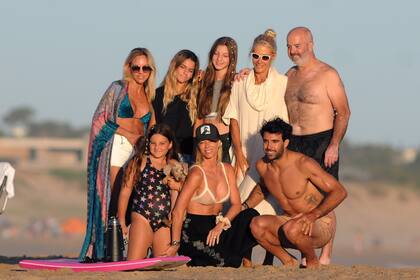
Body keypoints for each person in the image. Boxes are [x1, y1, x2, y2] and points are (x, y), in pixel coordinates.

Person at [79, 48, 156, 261]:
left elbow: (152, 126)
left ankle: (129, 246)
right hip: (118, 145)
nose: (140, 72)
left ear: (150, 70)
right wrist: (128, 134)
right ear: (128, 67)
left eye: (145, 68)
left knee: (133, 198)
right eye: (136, 67)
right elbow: (100, 118)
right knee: (114, 197)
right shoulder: (117, 88)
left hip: (138, 150)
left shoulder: (149, 94)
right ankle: (105, 249)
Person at [284, 26, 351, 264]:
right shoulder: (289, 75)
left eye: (297, 45)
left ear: (310, 45)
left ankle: (327, 254)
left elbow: (343, 112)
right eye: (289, 46)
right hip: (294, 141)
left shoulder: (327, 74)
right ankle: (306, 250)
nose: (293, 51)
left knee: (326, 196)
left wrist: (334, 144)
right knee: (302, 198)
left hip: (321, 140)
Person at [249, 118, 347, 268]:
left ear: (286, 143)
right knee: (256, 225)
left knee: (292, 228)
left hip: (318, 223)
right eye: (266, 141)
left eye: (275, 141)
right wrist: (244, 206)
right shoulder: (262, 166)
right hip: (289, 221)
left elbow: (340, 192)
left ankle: (312, 261)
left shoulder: (303, 164)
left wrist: (313, 214)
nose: (269, 147)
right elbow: (263, 188)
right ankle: (289, 261)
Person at [163, 124, 259, 267]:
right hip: (194, 230)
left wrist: (222, 223)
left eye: (211, 141)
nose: (207, 146)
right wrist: (175, 244)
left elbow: (237, 205)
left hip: (216, 225)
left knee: (250, 214)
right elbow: (178, 210)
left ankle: (246, 259)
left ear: (219, 143)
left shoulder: (227, 169)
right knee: (226, 261)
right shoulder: (196, 173)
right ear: (198, 146)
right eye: (202, 142)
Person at [222, 28, 289, 214]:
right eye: (255, 56)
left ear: (273, 57)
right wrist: (239, 154)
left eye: (265, 57)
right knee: (232, 204)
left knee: (253, 208)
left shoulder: (282, 83)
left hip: (268, 156)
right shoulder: (240, 82)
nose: (259, 61)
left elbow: (285, 126)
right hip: (242, 154)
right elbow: (233, 118)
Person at [117, 124, 183, 260]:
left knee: (163, 264)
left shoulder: (174, 165)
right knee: (134, 263)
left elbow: (183, 194)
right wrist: (122, 222)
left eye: (162, 143)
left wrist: (177, 186)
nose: (157, 147)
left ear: (170, 145)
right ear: (148, 143)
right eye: (153, 143)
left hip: (164, 222)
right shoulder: (139, 161)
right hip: (142, 217)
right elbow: (125, 192)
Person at [152, 49, 200, 165]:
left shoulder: (197, 97)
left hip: (187, 156)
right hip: (162, 156)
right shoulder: (157, 95)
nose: (185, 73)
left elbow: (197, 130)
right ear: (174, 66)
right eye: (182, 67)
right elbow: (152, 127)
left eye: (190, 70)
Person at [195, 37, 238, 163]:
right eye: (216, 53)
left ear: (232, 59)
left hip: (224, 141)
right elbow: (199, 118)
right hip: (204, 140)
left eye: (225, 55)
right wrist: (195, 142)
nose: (219, 59)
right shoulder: (202, 81)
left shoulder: (236, 82)